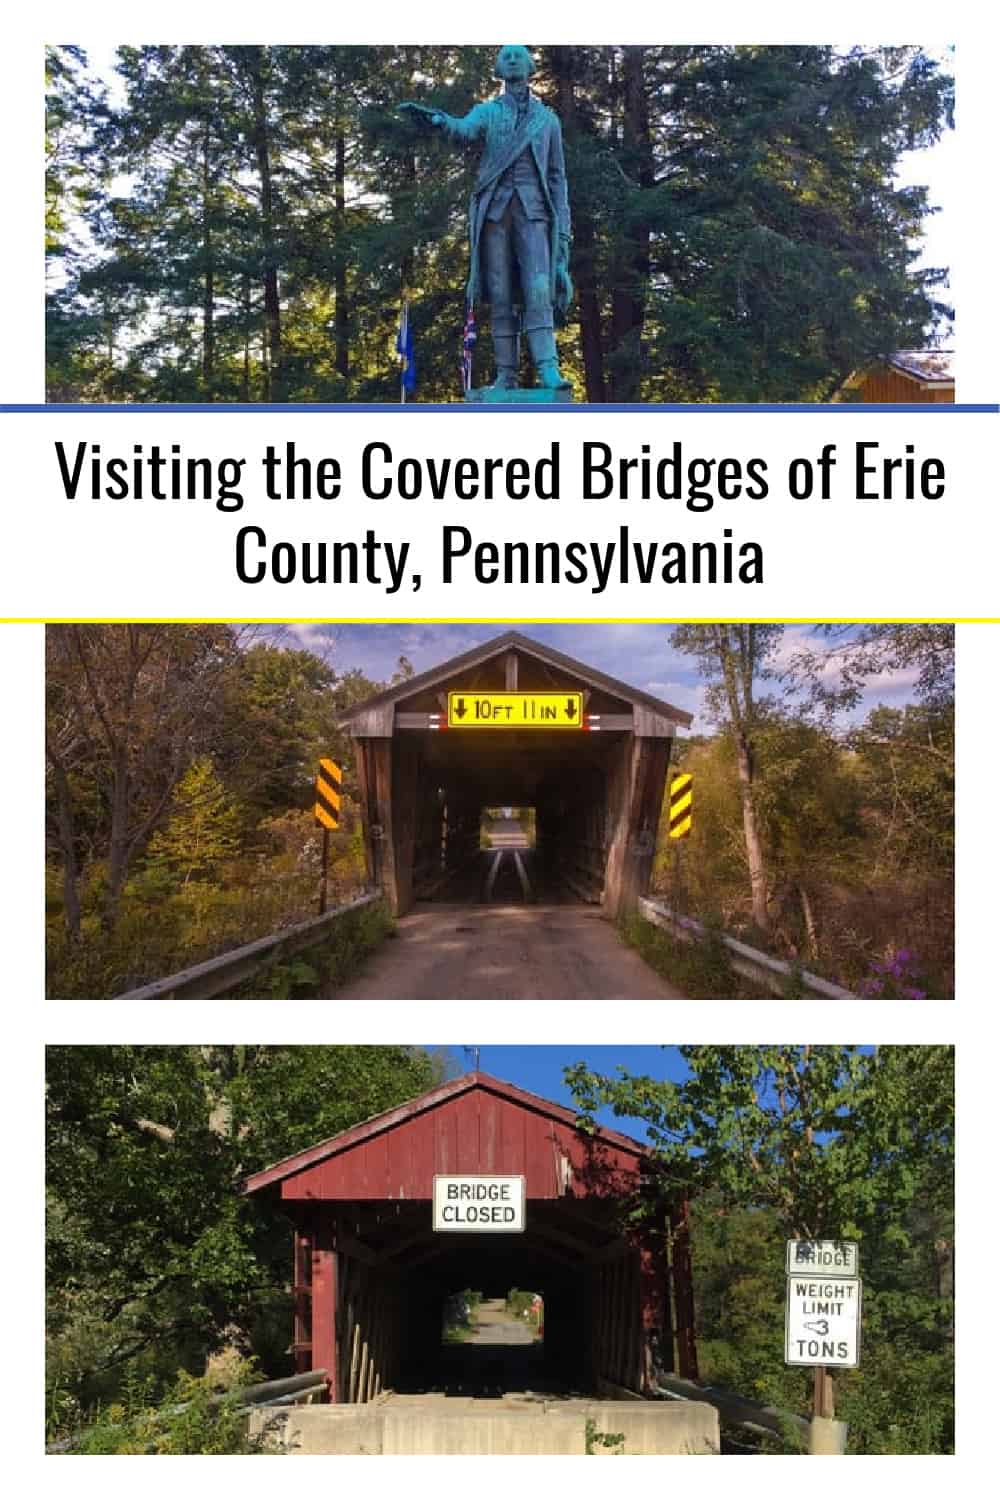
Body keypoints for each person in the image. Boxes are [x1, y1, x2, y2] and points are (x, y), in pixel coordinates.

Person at [401, 45, 572, 391]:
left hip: (535, 214)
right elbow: (463, 129)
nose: (511, 59)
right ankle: (505, 374)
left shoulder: (548, 121)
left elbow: (557, 179)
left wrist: (564, 234)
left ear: (529, 66)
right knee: (500, 292)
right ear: (497, 68)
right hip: (494, 214)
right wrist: (438, 121)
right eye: (505, 55)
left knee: (539, 289)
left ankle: (548, 368)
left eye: (518, 55)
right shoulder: (488, 113)